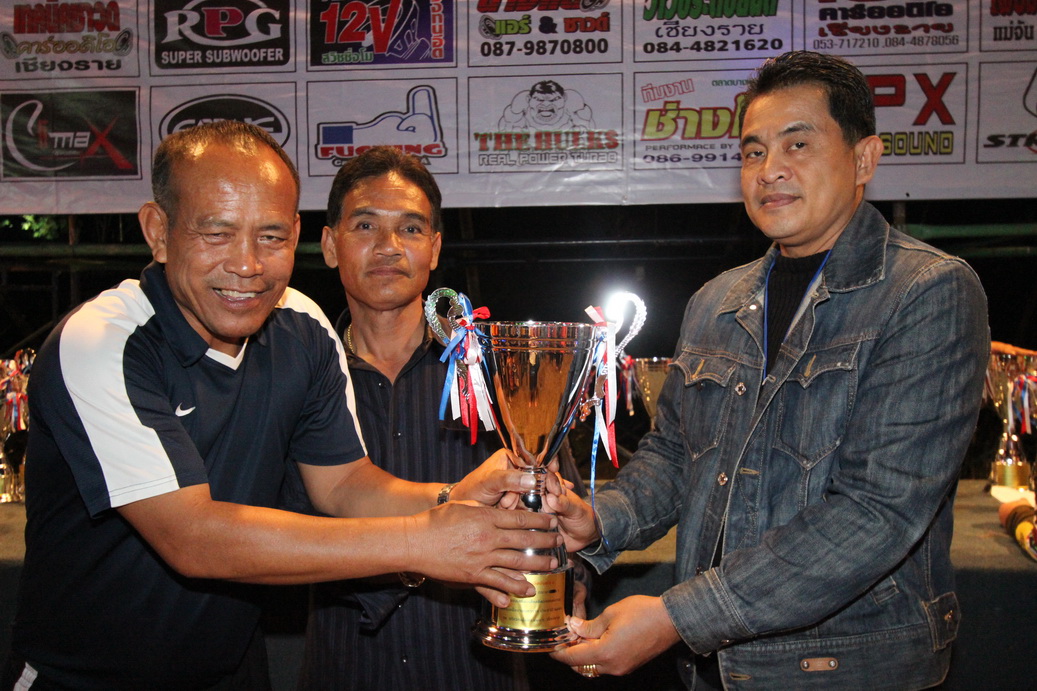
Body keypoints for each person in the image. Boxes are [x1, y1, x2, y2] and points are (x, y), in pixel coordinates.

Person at [5, 121, 563, 690]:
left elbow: (344, 484)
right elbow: (194, 538)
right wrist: (423, 540)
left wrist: (453, 497)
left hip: (233, 669)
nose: (247, 264)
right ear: (159, 231)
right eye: (217, 233)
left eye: (270, 237)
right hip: (85, 677)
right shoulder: (103, 341)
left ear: (296, 234)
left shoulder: (302, 326)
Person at [548, 51, 990, 689]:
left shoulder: (927, 291)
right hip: (715, 668)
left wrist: (677, 618)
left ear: (865, 159)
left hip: (846, 669)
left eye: (798, 144)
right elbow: (675, 455)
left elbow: (876, 512)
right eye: (753, 151)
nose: (770, 169)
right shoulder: (716, 300)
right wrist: (599, 519)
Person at [295, 146, 588, 690]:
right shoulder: (300, 378)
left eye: (410, 228)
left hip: (477, 671)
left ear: (433, 248)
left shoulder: (498, 372)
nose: (388, 245)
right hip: (346, 668)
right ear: (330, 245)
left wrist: (572, 582)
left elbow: (566, 519)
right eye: (366, 225)